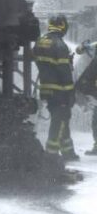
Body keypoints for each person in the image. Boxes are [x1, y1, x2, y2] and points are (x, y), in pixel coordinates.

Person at [34, 15, 79, 161]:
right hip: (60, 90)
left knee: (62, 119)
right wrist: (70, 92)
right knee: (60, 120)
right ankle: (51, 154)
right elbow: (64, 72)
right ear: (63, 26)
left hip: (46, 88)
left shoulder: (40, 41)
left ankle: (68, 152)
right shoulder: (60, 45)